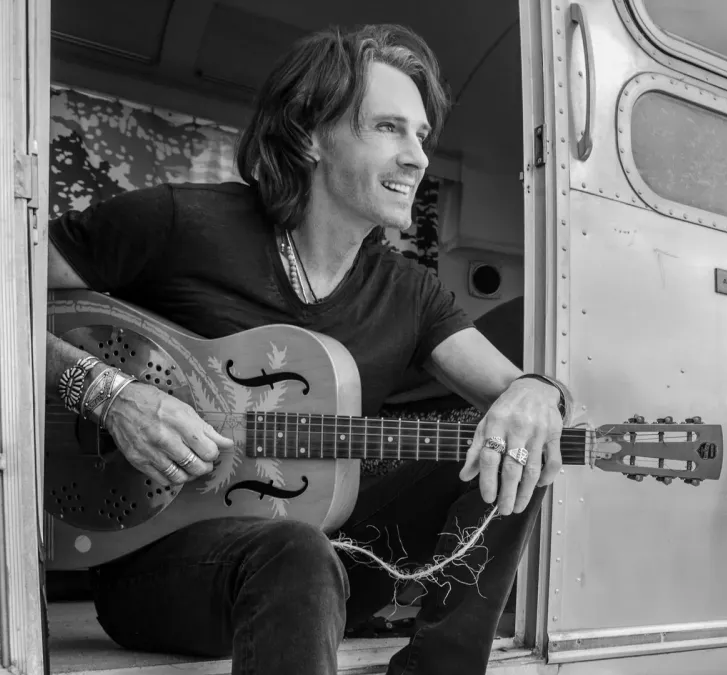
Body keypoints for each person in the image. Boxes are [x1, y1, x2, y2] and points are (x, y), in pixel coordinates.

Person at [44, 24, 571, 675]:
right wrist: (107, 394)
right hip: (155, 566)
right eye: (388, 128)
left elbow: (520, 393)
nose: (417, 157)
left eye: (421, 136)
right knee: (295, 551)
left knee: (517, 441)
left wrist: (537, 393)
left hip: (327, 561)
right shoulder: (180, 221)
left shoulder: (411, 293)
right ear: (308, 135)